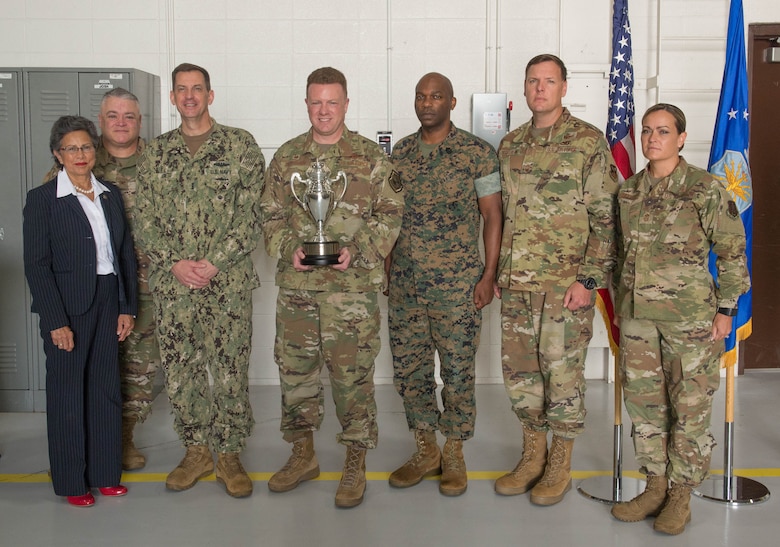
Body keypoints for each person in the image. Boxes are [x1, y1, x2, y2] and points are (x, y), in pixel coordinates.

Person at [261, 66, 404, 508]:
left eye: (332, 101)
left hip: (352, 294)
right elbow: (268, 216)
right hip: (299, 292)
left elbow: (391, 213)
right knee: (296, 374)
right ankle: (302, 455)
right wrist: (290, 248)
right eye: (316, 102)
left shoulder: (371, 158)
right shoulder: (286, 158)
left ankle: (355, 462)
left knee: (352, 380)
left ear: (346, 103)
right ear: (307, 104)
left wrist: (357, 250)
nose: (324, 110)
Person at [610, 104, 749, 535]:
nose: (653, 138)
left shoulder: (704, 189)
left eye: (664, 131)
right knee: (646, 406)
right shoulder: (628, 192)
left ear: (682, 138)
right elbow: (618, 255)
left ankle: (681, 495)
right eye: (648, 131)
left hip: (689, 321)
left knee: (688, 408)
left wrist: (726, 310)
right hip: (638, 321)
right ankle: (654, 485)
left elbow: (731, 252)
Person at [493, 54, 619, 506]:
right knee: (521, 376)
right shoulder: (509, 145)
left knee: (562, 376)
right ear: (524, 88)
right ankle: (532, 457)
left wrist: (589, 280)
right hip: (517, 284)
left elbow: (607, 218)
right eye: (532, 81)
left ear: (564, 87)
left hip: (565, 286)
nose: (540, 89)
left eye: (549, 81)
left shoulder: (587, 142)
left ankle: (560, 464)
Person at [135, 63, 264, 498]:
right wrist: (174, 263)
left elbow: (253, 216)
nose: (189, 96)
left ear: (211, 95)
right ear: (172, 98)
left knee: (229, 371)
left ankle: (228, 453)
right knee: (181, 371)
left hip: (226, 284)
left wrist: (213, 262)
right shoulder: (155, 153)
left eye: (197, 89)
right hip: (174, 288)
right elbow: (144, 220)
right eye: (181, 90)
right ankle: (196, 450)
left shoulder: (240, 146)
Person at [385, 72, 502, 496]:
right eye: (420, 96)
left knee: (457, 372)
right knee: (411, 372)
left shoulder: (477, 153)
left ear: (452, 103)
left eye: (436, 96)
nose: (427, 102)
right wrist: (386, 272)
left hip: (457, 287)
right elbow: (388, 218)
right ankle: (425, 449)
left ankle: (453, 451)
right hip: (406, 287)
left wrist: (489, 275)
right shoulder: (399, 154)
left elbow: (492, 216)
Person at [44, 88, 161, 471]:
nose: (121, 122)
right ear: (101, 122)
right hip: (84, 295)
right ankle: (81, 460)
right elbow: (44, 248)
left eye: (129, 116)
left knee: (129, 374)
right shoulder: (73, 172)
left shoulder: (158, 163)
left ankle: (114, 448)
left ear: (139, 121)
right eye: (113, 116)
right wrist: (56, 313)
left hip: (142, 288)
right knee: (79, 379)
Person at [23, 115, 137, 507]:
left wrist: (126, 307)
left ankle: (106, 474)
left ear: (95, 150)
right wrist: (55, 321)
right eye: (71, 148)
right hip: (68, 306)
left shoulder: (109, 194)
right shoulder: (42, 200)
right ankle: (73, 482)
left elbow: (122, 255)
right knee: (68, 393)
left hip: (108, 299)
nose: (80, 154)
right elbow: (36, 265)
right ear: (57, 154)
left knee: (106, 390)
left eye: (86, 146)